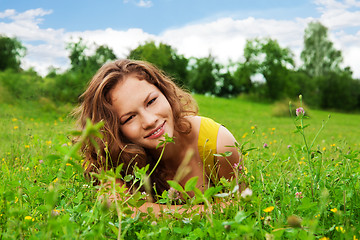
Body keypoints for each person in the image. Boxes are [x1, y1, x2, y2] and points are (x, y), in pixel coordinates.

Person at [74, 59, 241, 215]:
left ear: (165, 92)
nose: (149, 120)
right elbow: (117, 206)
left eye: (151, 101)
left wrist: (147, 211)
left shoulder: (218, 144)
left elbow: (240, 206)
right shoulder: (113, 155)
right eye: (129, 118)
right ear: (114, 131)